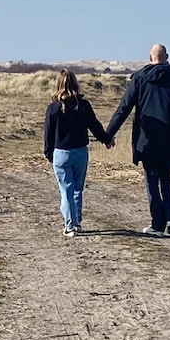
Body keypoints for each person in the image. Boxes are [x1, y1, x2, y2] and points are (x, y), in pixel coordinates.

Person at [106, 44, 170, 237]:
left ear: (150, 58)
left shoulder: (139, 78)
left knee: (152, 181)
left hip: (147, 140)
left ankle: (157, 225)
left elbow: (124, 108)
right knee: (167, 178)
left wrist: (109, 134)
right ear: (167, 56)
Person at [44, 69, 113, 237]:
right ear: (75, 83)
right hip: (80, 152)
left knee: (65, 190)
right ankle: (77, 222)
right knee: (77, 189)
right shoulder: (83, 106)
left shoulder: (53, 108)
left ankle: (69, 225)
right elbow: (94, 125)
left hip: (60, 153)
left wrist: (48, 153)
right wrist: (106, 139)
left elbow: (48, 134)